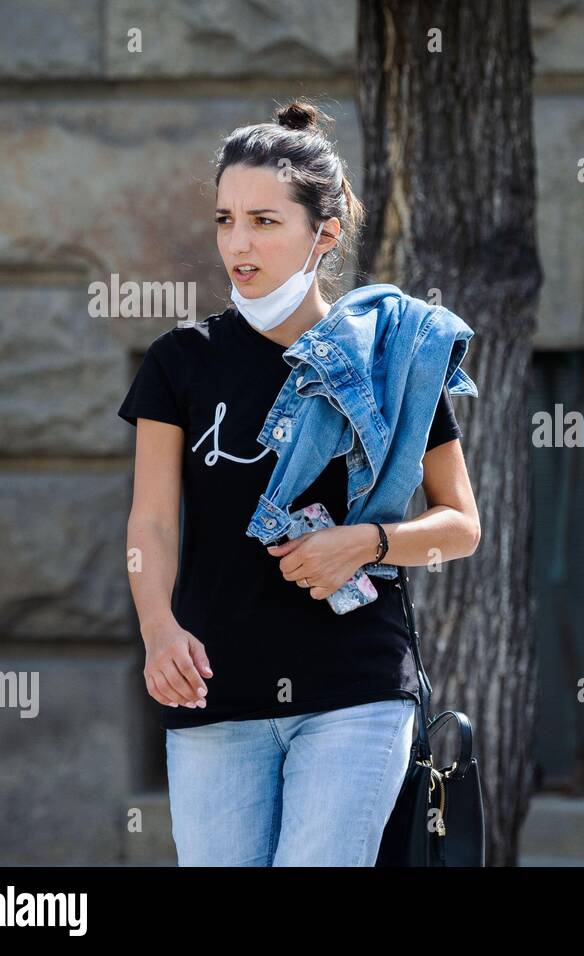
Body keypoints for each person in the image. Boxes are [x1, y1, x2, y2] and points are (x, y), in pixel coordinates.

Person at [118, 98, 480, 866]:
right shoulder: (180, 362)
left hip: (356, 691)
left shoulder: (394, 357)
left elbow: (460, 524)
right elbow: (150, 523)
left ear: (325, 232)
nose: (238, 245)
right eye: (225, 220)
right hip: (213, 690)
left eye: (264, 221)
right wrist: (157, 628)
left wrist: (367, 542)